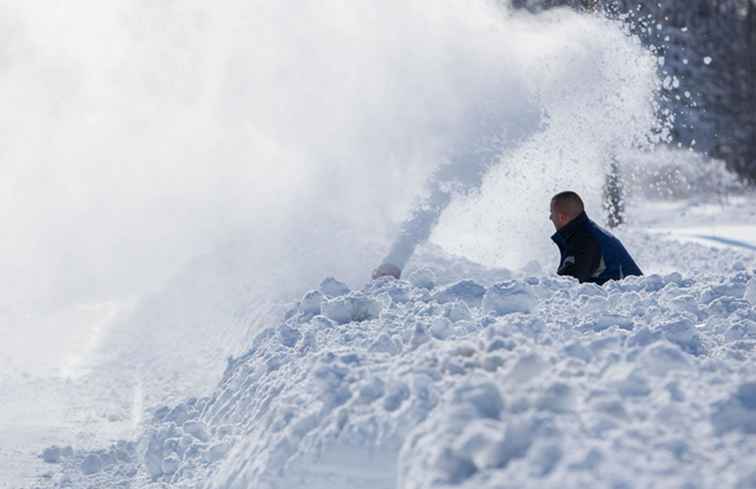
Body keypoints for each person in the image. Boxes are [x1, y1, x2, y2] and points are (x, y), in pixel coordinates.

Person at [550, 191, 642, 285]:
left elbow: (568, 284)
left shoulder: (585, 241)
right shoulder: (586, 231)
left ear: (561, 217)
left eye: (552, 213)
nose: (550, 218)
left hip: (626, 297)